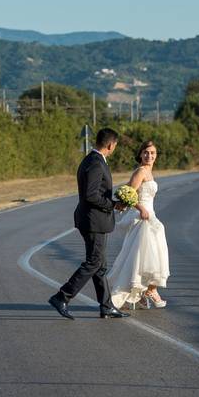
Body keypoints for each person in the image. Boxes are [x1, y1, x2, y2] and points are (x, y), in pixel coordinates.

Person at [48, 128, 130, 320]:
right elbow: (91, 194)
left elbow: (94, 191)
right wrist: (113, 204)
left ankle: (106, 306)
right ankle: (62, 296)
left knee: (100, 265)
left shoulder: (91, 159)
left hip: (93, 220)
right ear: (111, 145)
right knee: (94, 262)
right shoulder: (95, 163)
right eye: (115, 145)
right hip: (94, 221)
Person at [108, 140, 170, 309]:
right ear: (140, 154)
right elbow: (129, 193)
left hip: (151, 215)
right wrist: (140, 208)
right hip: (142, 217)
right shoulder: (141, 171)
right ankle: (150, 290)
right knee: (145, 256)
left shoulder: (149, 171)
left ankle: (142, 293)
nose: (149, 156)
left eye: (152, 153)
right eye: (146, 152)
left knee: (148, 256)